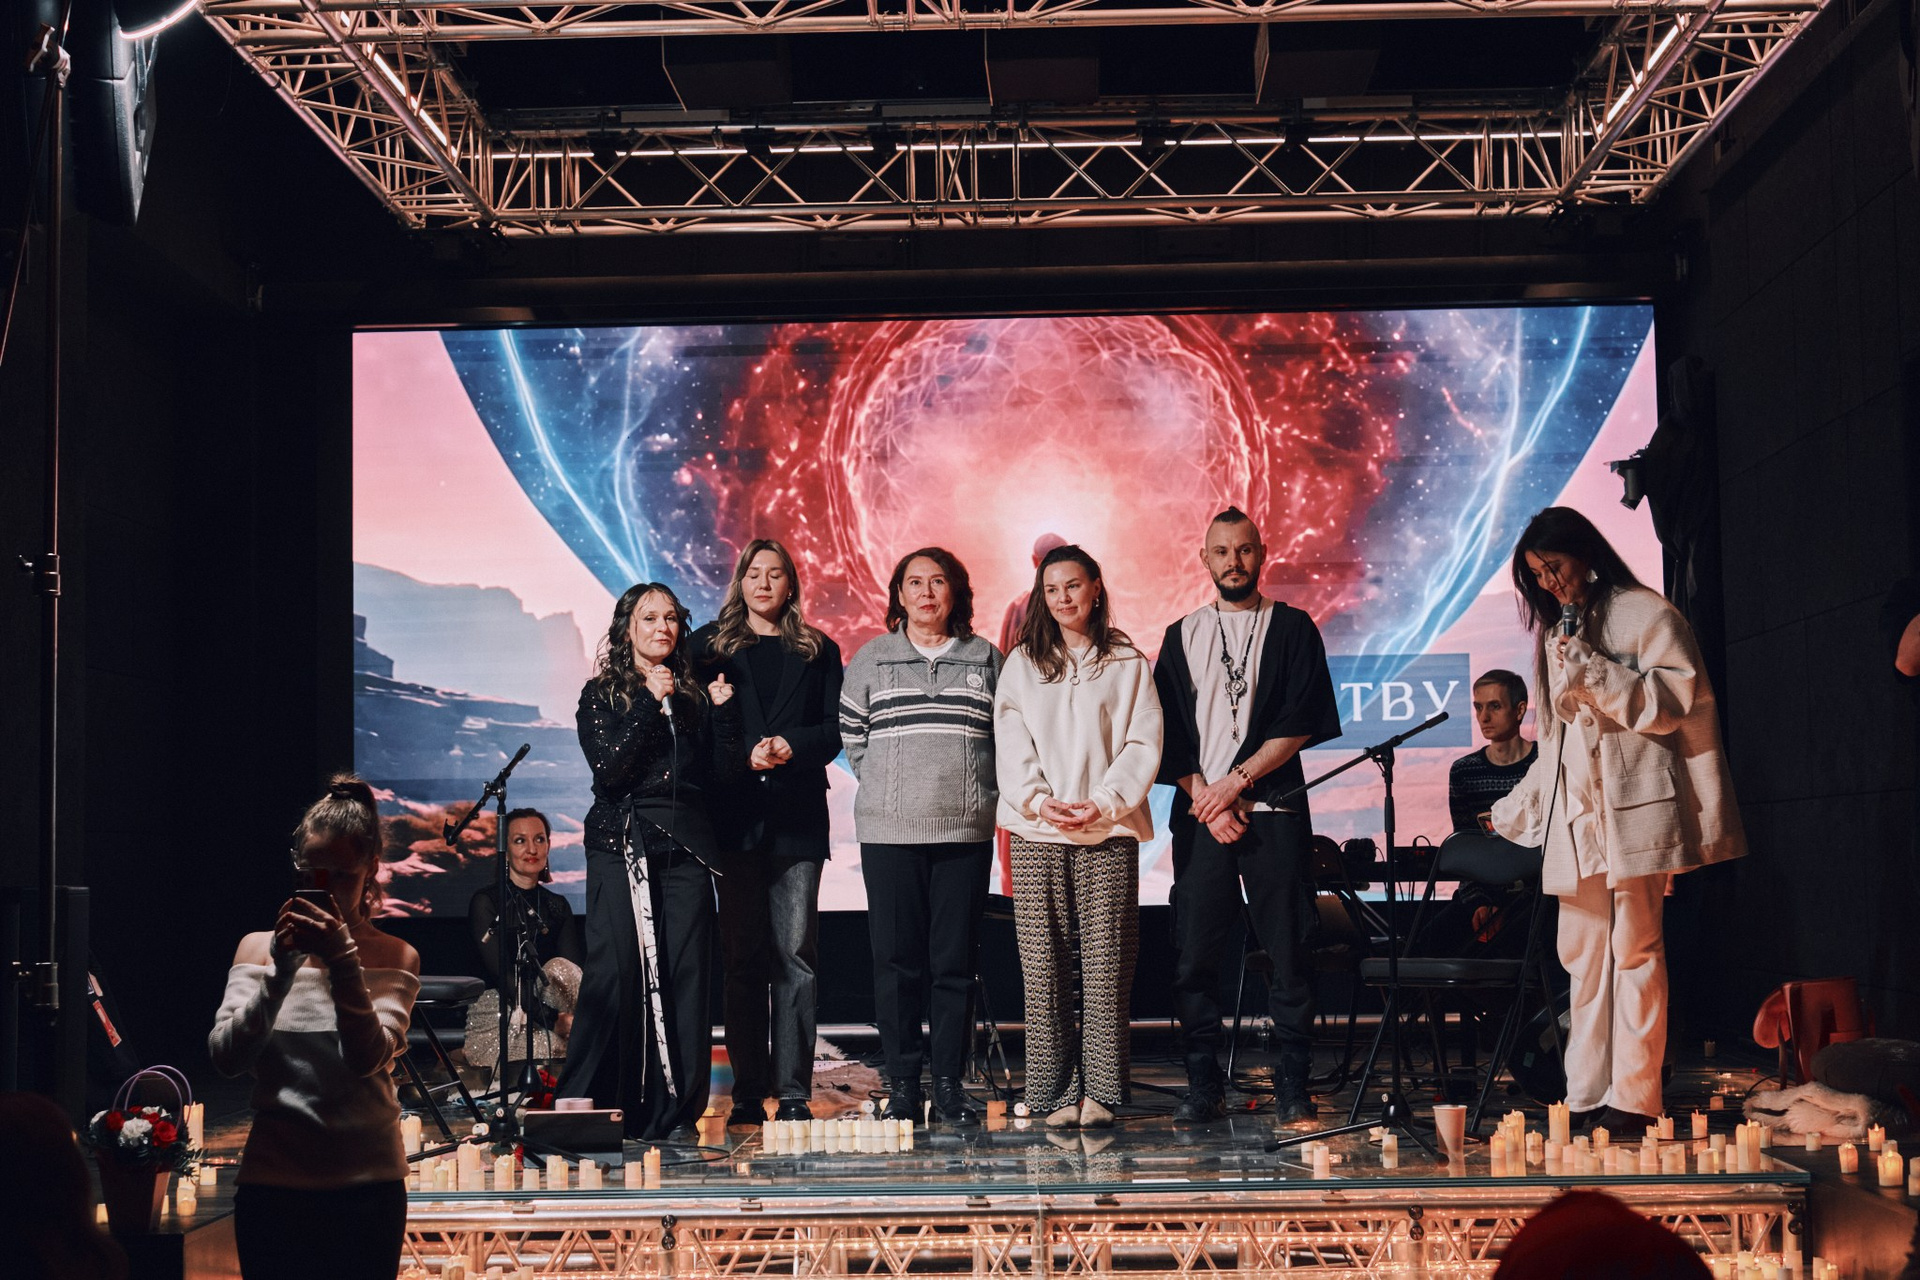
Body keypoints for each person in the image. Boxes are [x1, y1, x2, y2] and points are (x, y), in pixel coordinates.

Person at [1490, 507, 1746, 1132]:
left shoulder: (1646, 612)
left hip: (1635, 810)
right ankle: (1584, 1093)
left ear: (1584, 553)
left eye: (1553, 567)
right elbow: (1555, 742)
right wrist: (1517, 809)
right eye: (1536, 575)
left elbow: (1672, 704)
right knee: (1581, 955)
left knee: (1635, 949)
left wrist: (1595, 669)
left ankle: (1634, 1097)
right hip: (1577, 816)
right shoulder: (1555, 635)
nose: (1548, 583)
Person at [1152, 507, 1343, 1124]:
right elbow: (1166, 735)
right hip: (1203, 816)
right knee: (1195, 954)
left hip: (1273, 810)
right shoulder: (1181, 634)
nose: (1233, 562)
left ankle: (1293, 1082)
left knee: (1289, 950)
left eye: (1244, 550)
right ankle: (1202, 1082)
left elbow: (1301, 720)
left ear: (1262, 554)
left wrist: (1237, 783)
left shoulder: (1292, 626)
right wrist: (1207, 801)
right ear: (1204, 559)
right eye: (1221, 551)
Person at [208, 775, 422, 1280]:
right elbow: (227, 1059)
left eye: (341, 876)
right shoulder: (257, 949)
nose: (325, 890)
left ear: (371, 869)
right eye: (311, 874)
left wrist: (343, 962)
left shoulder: (394, 956)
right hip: (273, 1183)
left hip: (367, 1186)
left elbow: (366, 1058)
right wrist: (280, 973)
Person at [558, 582, 744, 1138]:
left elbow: (723, 781)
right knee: (615, 975)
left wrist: (724, 717)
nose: (662, 627)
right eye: (649, 617)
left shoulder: (693, 697)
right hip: (621, 842)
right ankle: (586, 1107)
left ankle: (677, 1112)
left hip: (685, 846)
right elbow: (610, 772)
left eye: (670, 618)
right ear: (627, 630)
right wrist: (646, 700)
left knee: (686, 978)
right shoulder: (601, 694)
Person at [994, 545, 1163, 1129]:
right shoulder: (1022, 663)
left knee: (1107, 965)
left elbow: (1142, 742)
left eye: (1072, 586)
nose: (1062, 598)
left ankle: (1102, 1092)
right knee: (1043, 966)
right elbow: (1010, 742)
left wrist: (1103, 801)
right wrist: (1040, 800)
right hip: (1037, 831)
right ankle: (1052, 1092)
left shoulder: (1127, 661)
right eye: (1051, 589)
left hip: (1108, 828)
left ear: (1095, 587)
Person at [840, 547, 1001, 1126]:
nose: (927, 593)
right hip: (890, 833)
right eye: (915, 583)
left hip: (964, 831)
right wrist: (892, 790)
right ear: (899, 594)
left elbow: (1005, 737)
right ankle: (905, 1087)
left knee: (953, 965)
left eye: (938, 582)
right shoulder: (873, 658)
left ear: (955, 592)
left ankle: (950, 1086)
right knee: (896, 964)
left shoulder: (986, 658)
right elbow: (853, 735)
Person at [691, 539, 844, 1129]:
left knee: (796, 956)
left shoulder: (818, 649)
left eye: (775, 574)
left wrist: (791, 747)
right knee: (742, 960)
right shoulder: (709, 647)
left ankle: (795, 1091)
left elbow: (833, 730)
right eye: (754, 573)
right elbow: (694, 726)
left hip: (798, 822)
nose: (763, 583)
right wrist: (743, 754)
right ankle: (749, 1092)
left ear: (790, 584)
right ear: (740, 581)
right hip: (734, 821)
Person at [465, 808, 584, 1073]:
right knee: (558, 1050)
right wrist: (555, 1021)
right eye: (520, 841)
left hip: (553, 1018)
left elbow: (573, 975)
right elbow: (504, 979)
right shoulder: (487, 903)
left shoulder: (557, 906)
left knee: (562, 969)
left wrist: (572, 1022)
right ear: (505, 851)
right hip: (501, 1020)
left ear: (548, 846)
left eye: (539, 839)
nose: (532, 849)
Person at [1448, 669, 1537, 834]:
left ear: (1519, 710)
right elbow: (1463, 841)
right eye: (1479, 707)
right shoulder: (1464, 771)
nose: (1484, 717)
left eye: (1495, 706)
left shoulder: (1544, 761)